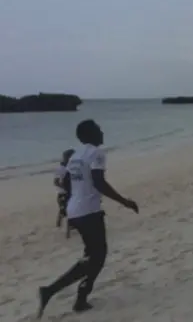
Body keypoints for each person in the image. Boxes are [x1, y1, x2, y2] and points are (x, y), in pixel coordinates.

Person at [37, 119, 139, 319]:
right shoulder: (97, 153)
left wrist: (72, 201)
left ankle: (78, 297)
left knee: (93, 256)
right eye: (99, 130)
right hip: (89, 212)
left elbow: (66, 181)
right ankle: (53, 291)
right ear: (91, 134)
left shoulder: (74, 155)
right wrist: (124, 201)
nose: (102, 132)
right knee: (97, 257)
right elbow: (99, 182)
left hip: (76, 211)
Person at [54, 149, 75, 229]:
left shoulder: (72, 167)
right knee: (63, 211)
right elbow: (56, 182)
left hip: (72, 191)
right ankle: (58, 223)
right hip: (63, 193)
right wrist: (65, 188)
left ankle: (71, 224)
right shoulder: (60, 169)